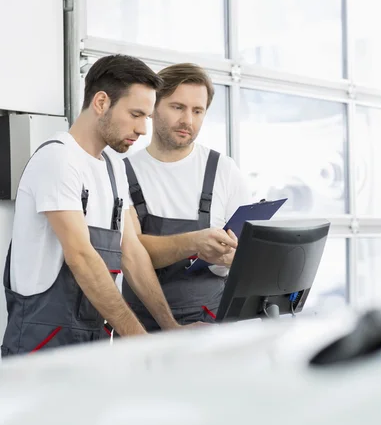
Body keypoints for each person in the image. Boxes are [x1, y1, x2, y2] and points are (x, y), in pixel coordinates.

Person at [1, 55, 200, 357]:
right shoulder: (58, 160)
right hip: (41, 348)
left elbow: (131, 253)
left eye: (146, 117)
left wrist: (169, 330)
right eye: (135, 114)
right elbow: (81, 257)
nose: (143, 129)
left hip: (91, 344)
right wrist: (140, 339)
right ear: (101, 102)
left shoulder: (113, 168)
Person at [122, 63, 250, 331]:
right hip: (143, 331)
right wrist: (196, 242)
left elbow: (251, 256)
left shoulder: (224, 171)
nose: (187, 121)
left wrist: (232, 259)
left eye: (197, 111)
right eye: (177, 107)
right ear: (153, 107)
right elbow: (132, 253)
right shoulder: (122, 173)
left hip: (212, 325)